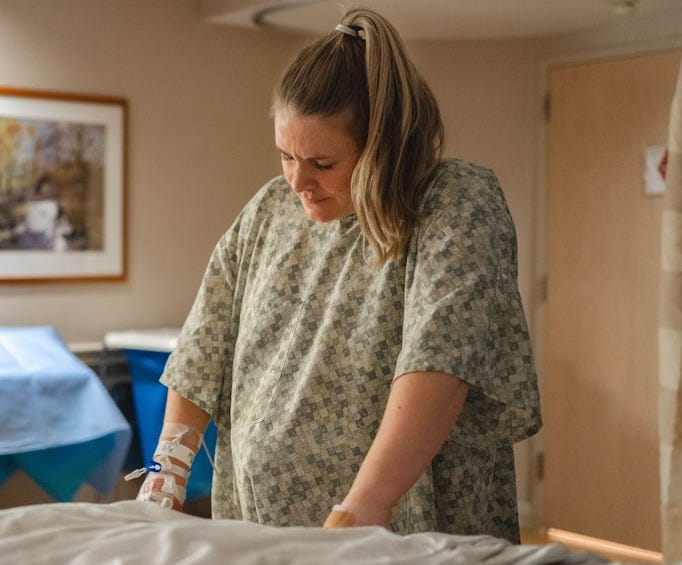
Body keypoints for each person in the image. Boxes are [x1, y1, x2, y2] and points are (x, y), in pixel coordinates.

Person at [135, 7, 542, 543]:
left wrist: (362, 509)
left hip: (396, 528)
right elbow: (204, 345)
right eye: (286, 156)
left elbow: (440, 362)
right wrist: (166, 474)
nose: (298, 181)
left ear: (385, 146)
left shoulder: (453, 204)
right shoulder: (269, 210)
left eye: (323, 164)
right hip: (263, 525)